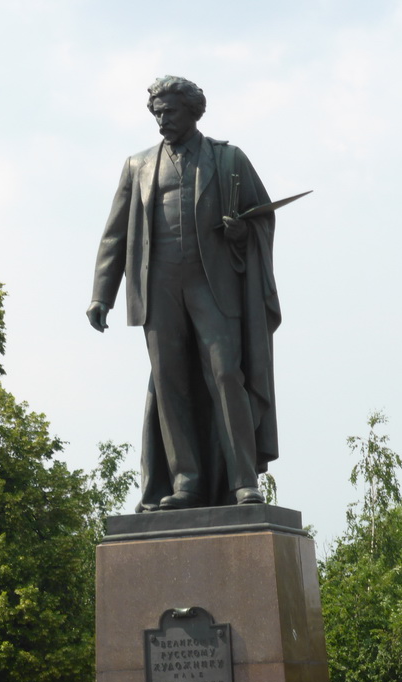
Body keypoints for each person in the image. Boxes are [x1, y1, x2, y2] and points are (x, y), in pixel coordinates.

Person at [87, 76, 282, 511]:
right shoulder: (138, 165)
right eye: (156, 113)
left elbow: (261, 218)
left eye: (169, 112)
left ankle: (243, 482)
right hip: (158, 290)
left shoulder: (229, 159)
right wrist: (103, 293)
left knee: (227, 377)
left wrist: (240, 232)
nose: (161, 122)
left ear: (193, 111)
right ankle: (185, 482)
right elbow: (115, 235)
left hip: (213, 287)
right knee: (170, 384)